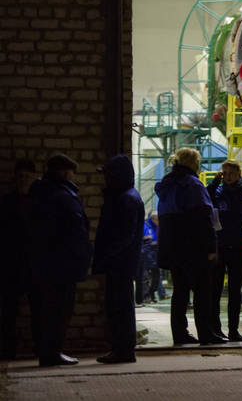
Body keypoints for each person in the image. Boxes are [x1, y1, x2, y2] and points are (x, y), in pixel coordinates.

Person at [28, 154, 92, 366]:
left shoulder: (40, 192)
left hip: (46, 261)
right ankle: (52, 352)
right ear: (64, 172)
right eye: (72, 172)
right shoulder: (62, 196)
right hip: (62, 263)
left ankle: (46, 351)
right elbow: (74, 230)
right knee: (60, 309)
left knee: (46, 308)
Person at [155, 147, 222, 345]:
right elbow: (203, 218)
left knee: (180, 291)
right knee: (202, 292)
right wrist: (211, 248)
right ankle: (206, 334)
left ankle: (180, 333)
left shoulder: (166, 186)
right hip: (195, 247)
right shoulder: (193, 184)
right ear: (194, 163)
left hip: (173, 247)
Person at [92, 154, 144, 364]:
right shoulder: (126, 196)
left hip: (119, 264)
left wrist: (109, 255)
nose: (105, 179)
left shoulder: (125, 199)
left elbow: (123, 235)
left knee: (119, 307)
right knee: (120, 306)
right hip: (121, 263)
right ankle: (121, 348)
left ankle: (123, 349)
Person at [207, 160, 242, 341]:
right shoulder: (216, 192)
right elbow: (204, 199)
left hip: (239, 246)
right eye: (225, 173)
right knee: (215, 290)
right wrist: (215, 182)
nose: (227, 176)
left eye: (231, 173)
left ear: (239, 173)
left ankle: (233, 330)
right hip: (219, 246)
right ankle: (215, 329)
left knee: (235, 290)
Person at [1, 159, 40, 360]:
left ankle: (39, 349)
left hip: (34, 264)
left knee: (38, 311)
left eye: (27, 176)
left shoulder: (41, 202)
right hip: (11, 264)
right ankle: (8, 351)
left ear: (34, 178)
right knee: (8, 312)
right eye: (20, 176)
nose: (23, 180)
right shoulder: (7, 202)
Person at [138, 211, 163, 303]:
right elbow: (145, 242)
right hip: (146, 257)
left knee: (156, 278)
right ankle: (145, 296)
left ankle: (151, 293)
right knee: (145, 278)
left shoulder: (157, 227)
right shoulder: (145, 226)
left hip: (155, 257)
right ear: (154, 219)